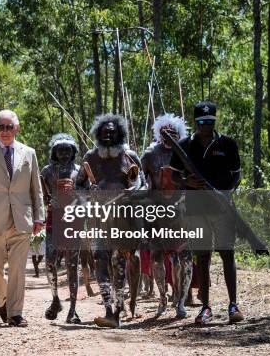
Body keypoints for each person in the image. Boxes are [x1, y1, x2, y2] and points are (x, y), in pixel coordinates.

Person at [170, 101, 244, 324]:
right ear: (195, 122)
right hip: (195, 208)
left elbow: (237, 175)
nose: (205, 126)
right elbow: (174, 176)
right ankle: (205, 307)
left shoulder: (228, 144)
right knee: (202, 256)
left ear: (214, 122)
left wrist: (225, 193)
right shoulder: (184, 145)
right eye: (201, 122)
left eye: (209, 122)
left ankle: (233, 305)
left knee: (227, 253)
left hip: (221, 207)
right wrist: (186, 181)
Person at [0, 109, 45, 327]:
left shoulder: (29, 153)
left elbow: (36, 189)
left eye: (9, 127)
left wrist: (39, 217)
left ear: (17, 128)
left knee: (17, 269)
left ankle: (15, 313)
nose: (5, 131)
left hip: (22, 219)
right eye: (0, 127)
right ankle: (3, 299)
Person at [75, 114, 146, 328]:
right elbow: (78, 186)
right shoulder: (91, 157)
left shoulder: (129, 155)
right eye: (104, 131)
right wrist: (89, 195)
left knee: (119, 261)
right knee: (100, 260)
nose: (108, 134)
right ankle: (108, 308)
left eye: (112, 131)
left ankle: (117, 309)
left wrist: (132, 192)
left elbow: (143, 184)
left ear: (120, 133)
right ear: (98, 133)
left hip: (123, 218)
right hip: (98, 217)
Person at [141, 113, 193, 318]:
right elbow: (140, 181)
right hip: (155, 212)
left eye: (173, 134)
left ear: (179, 135)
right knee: (156, 257)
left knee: (185, 258)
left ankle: (180, 302)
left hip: (180, 211)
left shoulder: (185, 153)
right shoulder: (150, 154)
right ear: (159, 134)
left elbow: (191, 179)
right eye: (165, 133)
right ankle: (162, 299)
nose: (168, 137)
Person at [41, 133, 82, 324]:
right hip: (53, 219)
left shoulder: (80, 171)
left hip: (74, 220)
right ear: (55, 152)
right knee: (50, 261)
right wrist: (47, 203)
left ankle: (73, 309)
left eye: (68, 150)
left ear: (73, 151)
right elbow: (40, 197)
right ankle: (55, 299)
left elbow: (88, 195)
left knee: (72, 265)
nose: (64, 154)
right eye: (60, 150)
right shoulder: (47, 172)